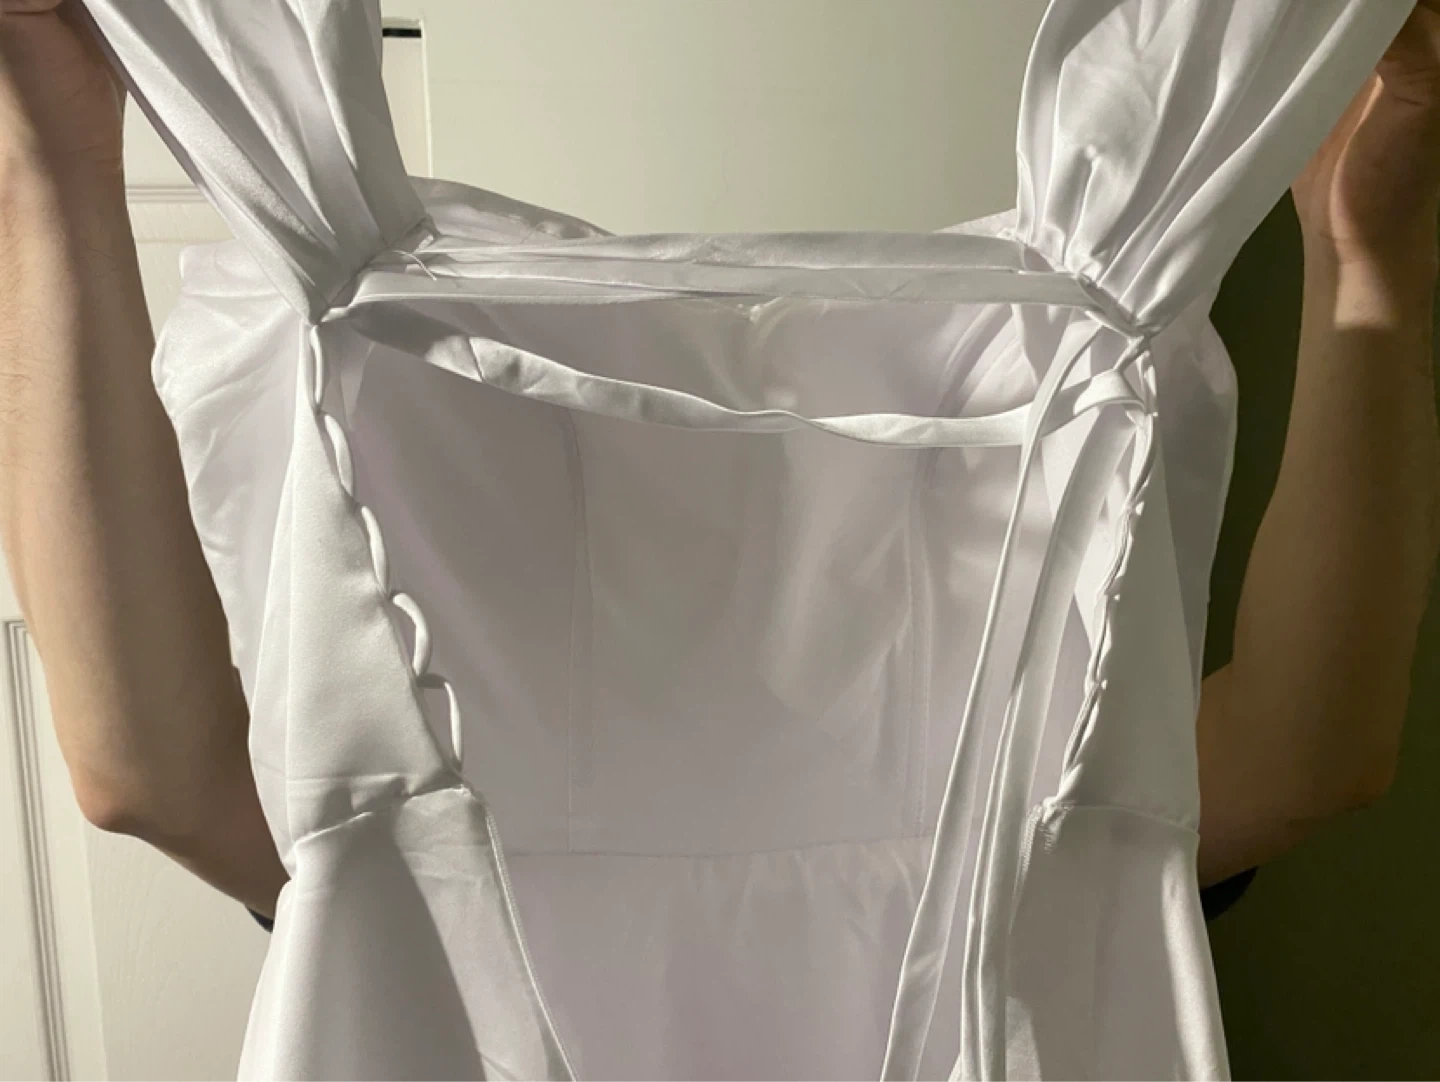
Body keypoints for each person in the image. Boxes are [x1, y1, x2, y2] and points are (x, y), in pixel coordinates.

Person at [0, 0, 1436, 930]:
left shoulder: (429, 884)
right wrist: (1367, 246)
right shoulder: (1026, 863)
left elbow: (149, 772)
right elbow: (1308, 756)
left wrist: (50, 159)